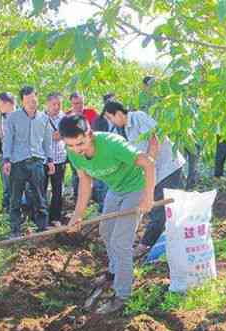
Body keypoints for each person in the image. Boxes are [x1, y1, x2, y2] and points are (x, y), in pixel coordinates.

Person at [61, 115, 155, 314]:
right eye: (71, 145)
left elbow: (148, 163)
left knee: (121, 241)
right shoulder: (73, 153)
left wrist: (148, 197)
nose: (77, 149)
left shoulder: (112, 144)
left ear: (90, 134)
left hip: (136, 188)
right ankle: (115, 271)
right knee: (105, 231)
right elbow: (85, 182)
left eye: (81, 143)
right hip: (115, 189)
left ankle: (122, 295)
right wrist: (77, 216)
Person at [103, 101, 185, 253]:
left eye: (110, 117)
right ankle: (160, 240)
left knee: (159, 208)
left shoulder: (139, 117)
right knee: (152, 206)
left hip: (166, 168)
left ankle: (145, 245)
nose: (111, 122)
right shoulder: (122, 131)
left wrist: (149, 167)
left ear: (119, 113)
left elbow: (154, 141)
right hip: (152, 172)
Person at [2, 86, 54, 237]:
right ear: (22, 101)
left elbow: (47, 142)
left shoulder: (44, 118)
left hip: (37, 161)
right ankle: (15, 229)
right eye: (27, 101)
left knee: (39, 195)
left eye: (33, 100)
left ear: (37, 98)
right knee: (15, 197)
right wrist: (6, 160)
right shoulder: (13, 117)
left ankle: (42, 228)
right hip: (18, 162)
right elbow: (8, 140)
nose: (31, 103)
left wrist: (49, 160)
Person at [44, 93, 67, 226]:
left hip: (59, 158)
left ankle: (55, 217)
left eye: (59, 104)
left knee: (58, 189)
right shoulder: (41, 117)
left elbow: (69, 135)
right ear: (47, 104)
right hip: (44, 159)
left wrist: (62, 135)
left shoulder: (64, 118)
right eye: (54, 104)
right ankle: (41, 218)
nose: (57, 107)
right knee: (41, 189)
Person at [0, 92, 16, 212]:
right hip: (4, 156)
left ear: (8, 104)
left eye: (0, 104)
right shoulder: (0, 118)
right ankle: (8, 209)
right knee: (6, 183)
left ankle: (23, 208)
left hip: (19, 156)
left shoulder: (21, 116)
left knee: (21, 183)